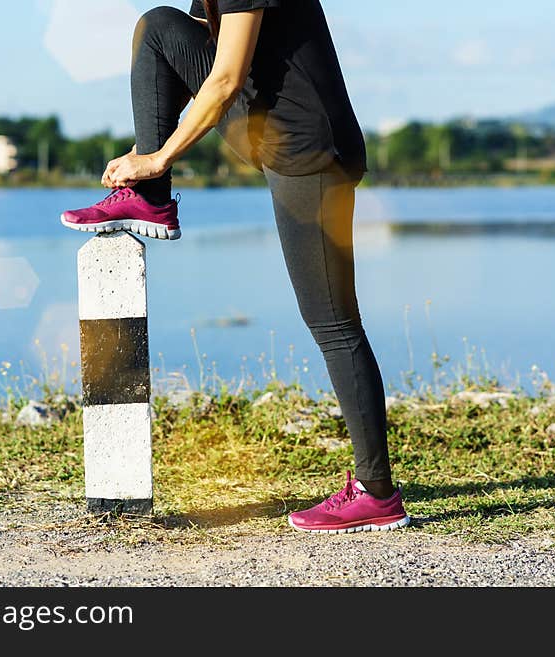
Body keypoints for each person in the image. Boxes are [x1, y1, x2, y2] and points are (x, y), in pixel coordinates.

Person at [61, 0, 410, 534]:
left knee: (334, 324)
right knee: (160, 28)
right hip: (268, 125)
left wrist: (156, 158)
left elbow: (224, 79)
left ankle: (376, 493)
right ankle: (151, 198)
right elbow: (203, 52)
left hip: (310, 151)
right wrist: (148, 147)